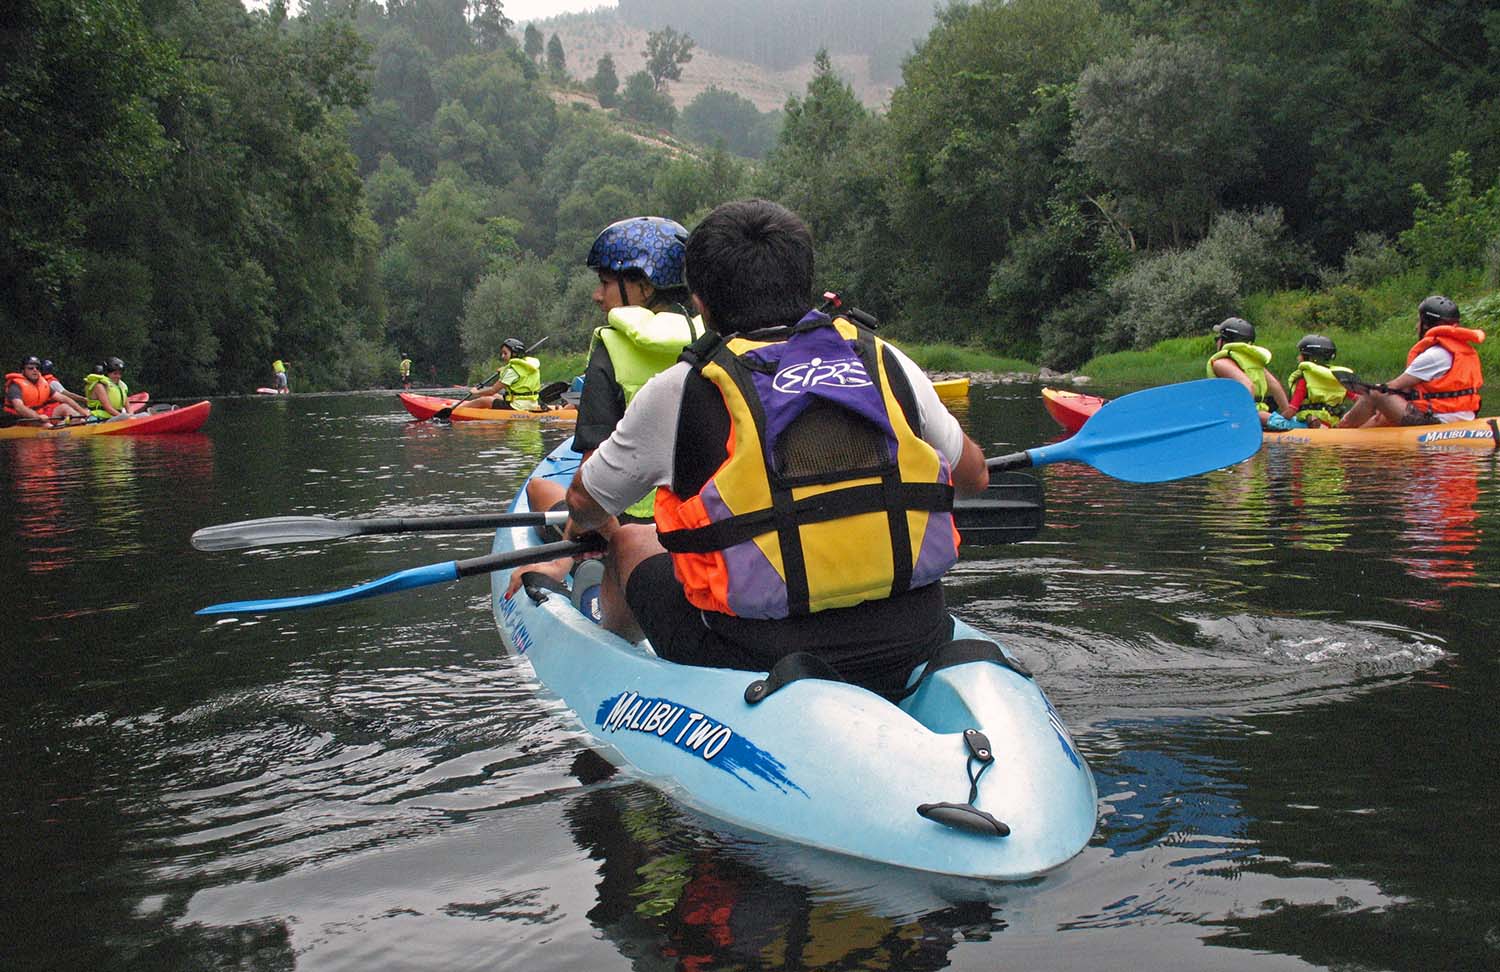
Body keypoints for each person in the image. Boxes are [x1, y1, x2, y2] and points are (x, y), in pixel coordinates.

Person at [518, 199, 990, 699]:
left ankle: (614, 666)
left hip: (755, 653)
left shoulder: (683, 388)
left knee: (633, 541)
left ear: (700, 302)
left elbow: (586, 504)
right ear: (804, 281)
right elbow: (975, 476)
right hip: (914, 635)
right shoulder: (883, 360)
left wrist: (582, 532)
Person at [1337, 295, 1485, 428]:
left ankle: (1342, 428)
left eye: (1418, 321)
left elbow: (1392, 387)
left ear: (1426, 324)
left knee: (1375, 393)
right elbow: (1407, 391)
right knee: (1381, 418)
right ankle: (1355, 436)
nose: (1416, 326)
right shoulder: (1464, 350)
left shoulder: (1434, 355)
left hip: (1436, 421)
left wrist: (1377, 402)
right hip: (1465, 417)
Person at [1207, 317, 1296, 428]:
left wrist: (1244, 417)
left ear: (1224, 341)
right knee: (1269, 418)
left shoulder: (1221, 363)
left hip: (1246, 416)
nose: (1217, 342)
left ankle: (1279, 423)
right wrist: (1287, 414)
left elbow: (1247, 385)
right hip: (1262, 412)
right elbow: (1275, 386)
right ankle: (1287, 423)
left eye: (1218, 338)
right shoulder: (1254, 363)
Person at [1284, 334, 1355, 427]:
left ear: (1310, 358)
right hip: (1334, 423)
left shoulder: (1305, 379)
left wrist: (1277, 421)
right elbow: (1359, 399)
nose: (1298, 357)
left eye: (1301, 354)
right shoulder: (1338, 377)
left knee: (1270, 419)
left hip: (1309, 426)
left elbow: (1292, 410)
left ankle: (1318, 426)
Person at [4, 355, 89, 423]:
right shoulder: (15, 386)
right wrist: (37, 417)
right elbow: (19, 407)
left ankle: (68, 424)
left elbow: (64, 398)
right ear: (23, 371)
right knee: (47, 425)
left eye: (37, 368)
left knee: (65, 407)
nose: (35, 370)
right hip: (24, 419)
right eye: (30, 368)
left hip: (41, 416)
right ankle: (63, 428)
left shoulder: (43, 384)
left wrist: (81, 411)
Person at [467, 338, 542, 410]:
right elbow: (517, 372)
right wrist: (504, 369)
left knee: (484, 400)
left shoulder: (512, 371)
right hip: (531, 404)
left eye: (505, 353)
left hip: (517, 406)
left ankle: (460, 408)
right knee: (495, 396)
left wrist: (476, 392)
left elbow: (492, 390)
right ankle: (466, 405)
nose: (502, 356)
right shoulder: (529, 366)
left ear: (514, 354)